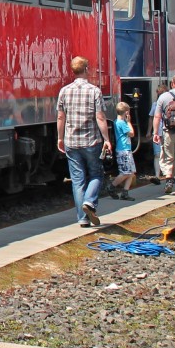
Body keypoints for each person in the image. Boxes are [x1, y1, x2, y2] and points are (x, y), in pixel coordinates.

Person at [56, 56, 113, 227]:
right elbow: (100, 117)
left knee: (77, 179)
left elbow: (60, 116)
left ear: (72, 71)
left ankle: (82, 218)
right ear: (86, 69)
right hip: (91, 141)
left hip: (71, 142)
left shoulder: (64, 91)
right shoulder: (94, 91)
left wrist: (60, 138)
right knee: (96, 174)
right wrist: (107, 139)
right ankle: (89, 202)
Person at [107, 102, 137, 200]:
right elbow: (132, 134)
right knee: (125, 173)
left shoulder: (116, 121)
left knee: (131, 172)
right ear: (126, 112)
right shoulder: (122, 123)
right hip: (123, 149)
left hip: (125, 149)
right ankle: (112, 186)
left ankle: (125, 192)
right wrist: (129, 122)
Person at [147, 83, 168, 183]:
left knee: (167, 153)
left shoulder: (169, 104)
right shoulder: (155, 105)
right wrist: (149, 131)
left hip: (167, 131)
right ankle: (157, 175)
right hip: (158, 132)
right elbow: (151, 118)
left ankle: (167, 174)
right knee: (157, 154)